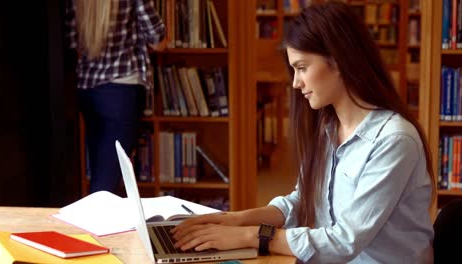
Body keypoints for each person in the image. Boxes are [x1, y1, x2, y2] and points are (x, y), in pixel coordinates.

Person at [171, 2, 435, 263]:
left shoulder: (394, 140)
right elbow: (300, 200)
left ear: (339, 60)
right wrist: (233, 219)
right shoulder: (328, 129)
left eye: (302, 68)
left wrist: (251, 236)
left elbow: (344, 241)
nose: (296, 83)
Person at [65, 0, 166, 194]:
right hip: (122, 91)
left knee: (101, 172)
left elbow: (71, 43)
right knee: (106, 184)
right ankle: (91, 223)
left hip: (88, 90)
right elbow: (157, 39)